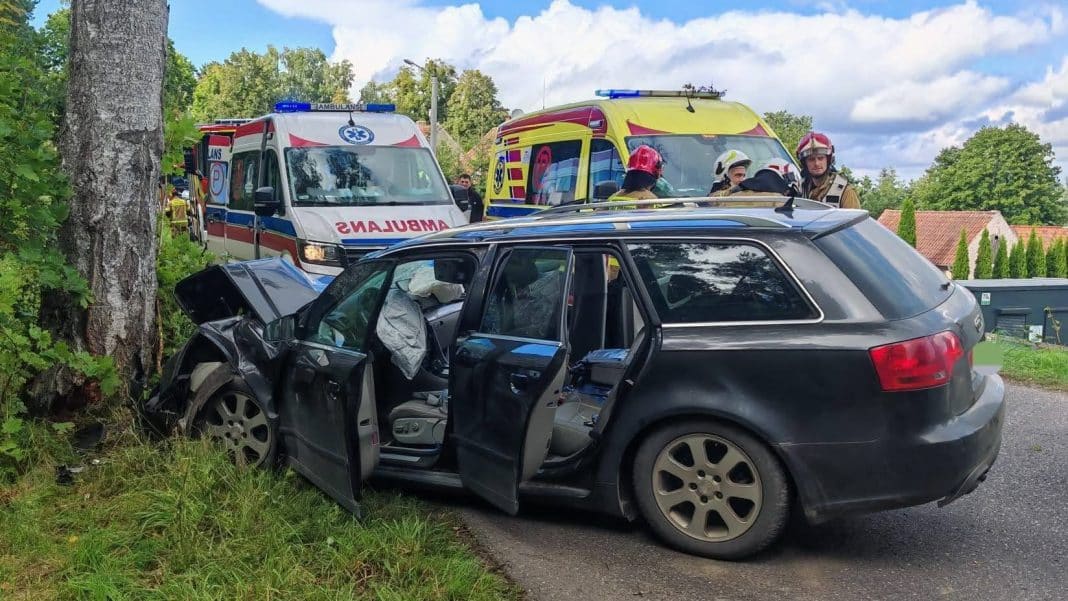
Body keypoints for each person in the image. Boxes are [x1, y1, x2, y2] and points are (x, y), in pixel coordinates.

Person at [796, 131, 860, 208]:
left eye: (820, 158)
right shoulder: (800, 189)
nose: (816, 163)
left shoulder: (845, 192)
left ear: (828, 160)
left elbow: (854, 215)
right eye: (811, 159)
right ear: (804, 163)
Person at [723, 159, 802, 197]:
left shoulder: (731, 196)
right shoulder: (782, 203)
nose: (742, 179)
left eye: (744, 175)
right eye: (738, 175)